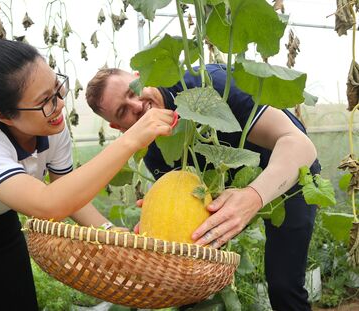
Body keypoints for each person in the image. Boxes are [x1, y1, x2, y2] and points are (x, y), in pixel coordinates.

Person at [0, 39, 175, 311]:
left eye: (56, 88)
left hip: (2, 223)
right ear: (4, 116)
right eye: (46, 101)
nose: (60, 104)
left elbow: (65, 187)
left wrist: (109, 233)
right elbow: (47, 204)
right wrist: (130, 140)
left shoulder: (52, 127)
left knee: (20, 301)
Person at [86, 65, 321, 311]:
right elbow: (185, 204)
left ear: (140, 77)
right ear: (117, 127)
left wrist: (253, 197)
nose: (136, 106)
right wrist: (161, 215)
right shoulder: (153, 151)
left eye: (133, 92)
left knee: (284, 284)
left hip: (290, 172)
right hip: (228, 195)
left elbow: (299, 145)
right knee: (190, 283)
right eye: (123, 111)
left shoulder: (208, 84)